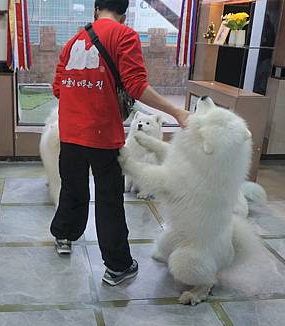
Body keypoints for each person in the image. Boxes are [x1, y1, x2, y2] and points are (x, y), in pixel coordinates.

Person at [50, 0, 189, 286]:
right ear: (124, 15)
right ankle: (118, 266)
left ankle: (63, 235)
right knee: (109, 199)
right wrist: (176, 112)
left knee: (73, 186)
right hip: (102, 134)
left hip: (70, 132)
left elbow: (57, 89)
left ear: (96, 10)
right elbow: (137, 86)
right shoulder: (125, 36)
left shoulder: (73, 41)